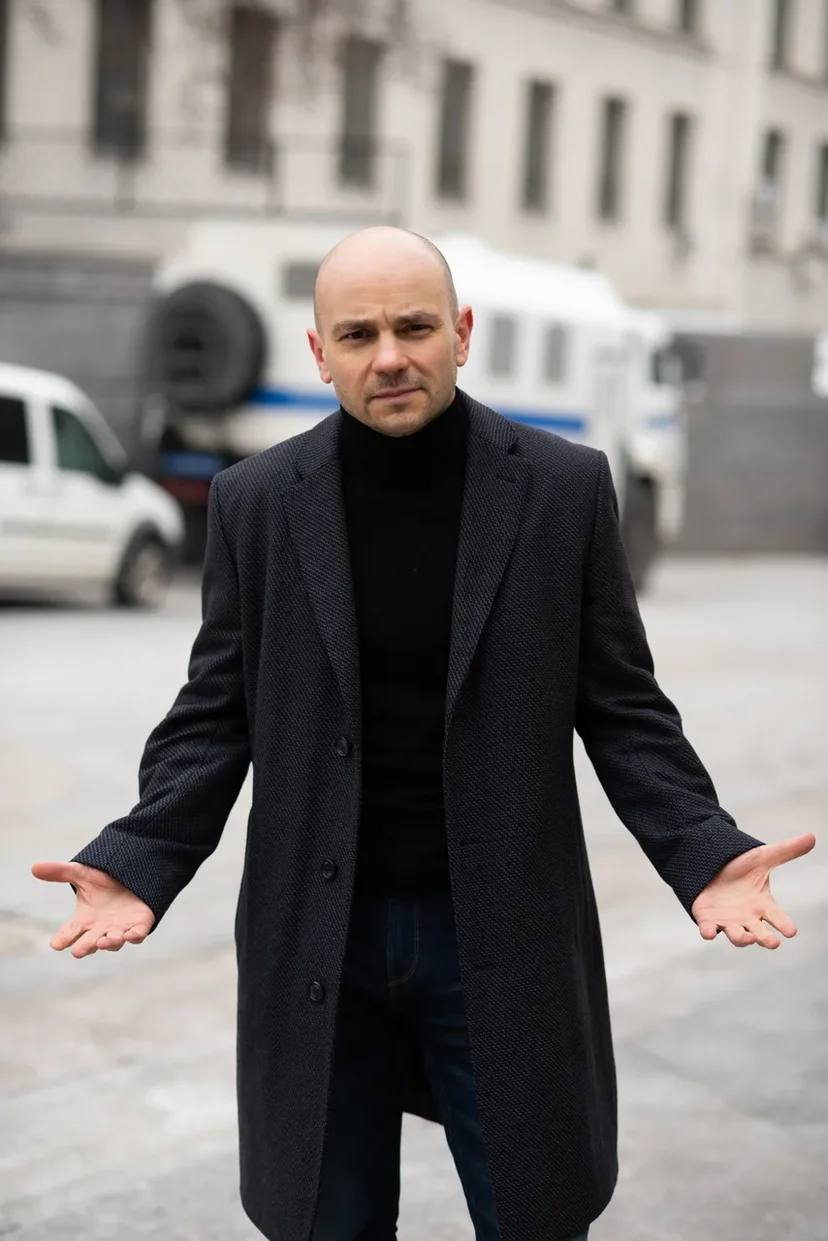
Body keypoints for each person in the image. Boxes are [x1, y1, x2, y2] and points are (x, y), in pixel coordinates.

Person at [32, 226, 815, 1241]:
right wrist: (141, 855)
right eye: (358, 334)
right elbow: (215, 715)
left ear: (462, 333)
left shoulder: (563, 489)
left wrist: (703, 849)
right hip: (323, 934)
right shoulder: (256, 503)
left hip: (502, 927)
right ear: (320, 353)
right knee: (328, 1218)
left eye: (415, 326)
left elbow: (625, 708)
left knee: (535, 1210)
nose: (390, 355)